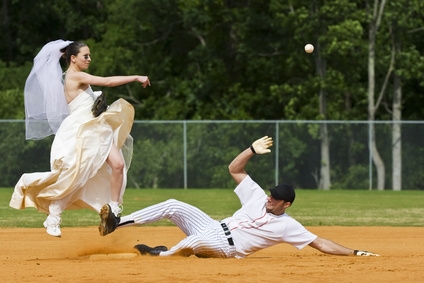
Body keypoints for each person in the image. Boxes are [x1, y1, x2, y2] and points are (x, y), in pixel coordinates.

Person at [98, 136, 379, 258]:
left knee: (194, 242)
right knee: (173, 205)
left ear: (286, 204)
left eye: (276, 198)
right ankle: (116, 222)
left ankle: (161, 256)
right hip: (213, 226)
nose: (270, 198)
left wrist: (354, 252)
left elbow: (320, 243)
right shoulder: (258, 197)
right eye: (271, 194)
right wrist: (251, 150)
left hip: (227, 248)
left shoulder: (288, 226)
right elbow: (235, 168)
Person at [9, 39, 150, 237]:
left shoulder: (76, 76)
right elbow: (107, 82)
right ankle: (53, 217)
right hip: (83, 131)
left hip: (97, 128)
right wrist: (136, 77)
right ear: (73, 58)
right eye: (86, 56)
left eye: (89, 55)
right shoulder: (74, 77)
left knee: (118, 166)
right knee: (77, 178)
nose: (89, 58)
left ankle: (114, 211)